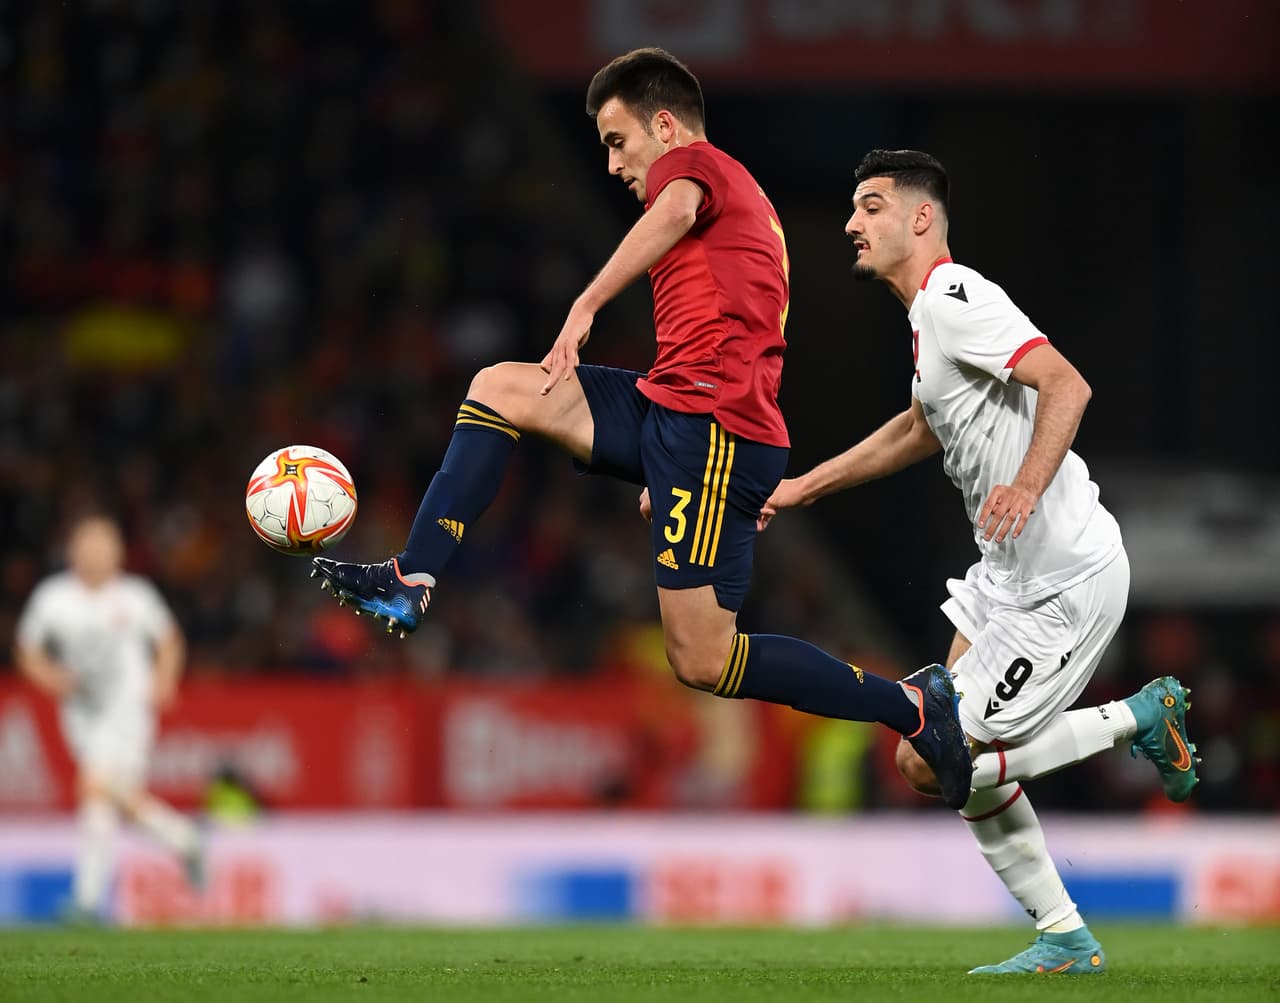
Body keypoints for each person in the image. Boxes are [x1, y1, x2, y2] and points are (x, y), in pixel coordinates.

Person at [310, 48, 973, 807]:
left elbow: (676, 210)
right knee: (500, 388)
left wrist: (587, 303)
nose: (615, 163)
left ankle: (913, 705)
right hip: (675, 410)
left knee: (700, 658)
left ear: (663, 125)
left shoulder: (695, 167)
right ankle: (411, 577)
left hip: (715, 427)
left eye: (618, 141)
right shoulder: (724, 192)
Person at [760, 149, 1198, 974]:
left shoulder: (958, 297)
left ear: (921, 218)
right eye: (853, 209)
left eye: (871, 207)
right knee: (924, 755)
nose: (852, 223)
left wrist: (1028, 485)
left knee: (944, 752)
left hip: (1063, 576)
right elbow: (919, 427)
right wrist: (805, 487)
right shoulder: (930, 320)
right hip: (1007, 576)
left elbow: (1066, 384)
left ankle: (1139, 716)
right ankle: (1064, 936)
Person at [14, 514, 203, 921]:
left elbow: (169, 640)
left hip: (128, 706)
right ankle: (185, 839)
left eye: (103, 545)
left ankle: (86, 900)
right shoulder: (53, 597)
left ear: (117, 553)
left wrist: (164, 680)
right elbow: (28, 651)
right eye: (87, 544)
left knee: (95, 787)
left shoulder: (136, 595)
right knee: (116, 802)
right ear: (73, 551)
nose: (95, 553)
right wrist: (50, 677)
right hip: (80, 711)